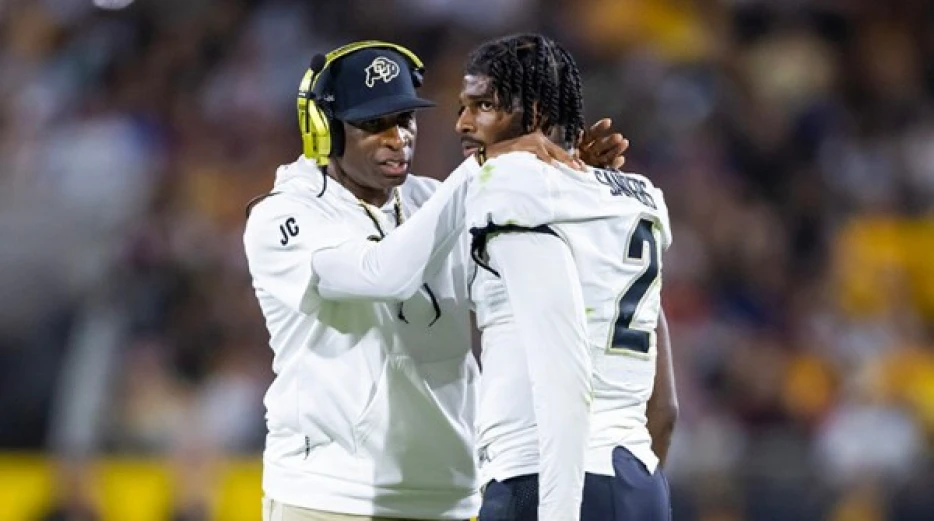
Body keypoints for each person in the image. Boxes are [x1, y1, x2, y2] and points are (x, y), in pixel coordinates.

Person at [242, 40, 626, 521]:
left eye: (405, 119)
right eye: (373, 124)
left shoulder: (434, 198)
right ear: (325, 131)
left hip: (449, 497)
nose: (398, 137)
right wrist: (485, 168)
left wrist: (574, 185)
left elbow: (516, 284)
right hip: (329, 498)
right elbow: (383, 273)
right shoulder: (284, 216)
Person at [455, 34, 677, 521]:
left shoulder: (512, 191)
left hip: (539, 478)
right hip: (638, 481)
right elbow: (666, 409)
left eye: (484, 106)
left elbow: (394, 269)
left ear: (531, 116)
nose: (464, 125)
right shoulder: (640, 197)